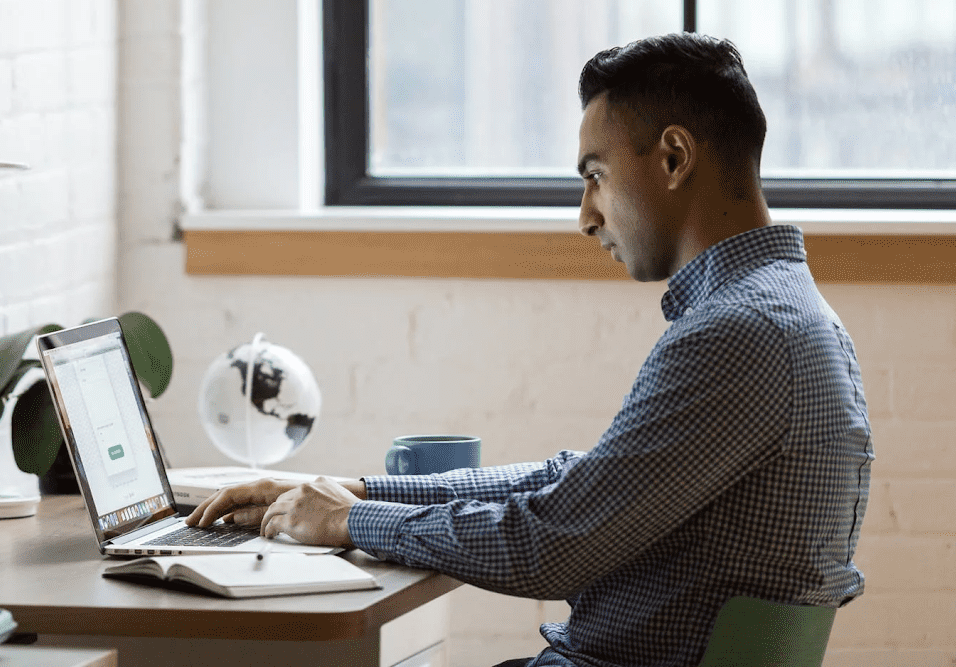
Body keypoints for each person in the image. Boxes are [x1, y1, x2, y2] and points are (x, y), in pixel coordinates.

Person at [186, 33, 874, 667]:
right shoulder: (788, 316)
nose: (585, 215)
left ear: (673, 157)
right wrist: (361, 490)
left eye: (596, 174)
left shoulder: (740, 334)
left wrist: (348, 521)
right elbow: (580, 482)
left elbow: (554, 545)